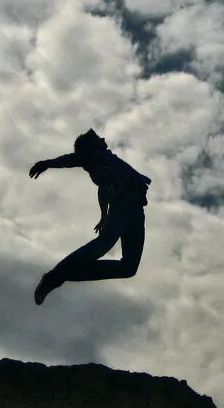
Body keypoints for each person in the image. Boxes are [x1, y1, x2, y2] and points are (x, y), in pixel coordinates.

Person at [30, 129, 151, 305]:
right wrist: (46, 163)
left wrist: (103, 216)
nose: (102, 139)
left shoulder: (107, 158)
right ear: (90, 146)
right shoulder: (92, 156)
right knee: (103, 245)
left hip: (136, 211)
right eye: (97, 138)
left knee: (129, 268)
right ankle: (55, 276)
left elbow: (104, 191)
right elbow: (70, 160)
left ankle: (68, 272)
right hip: (124, 207)